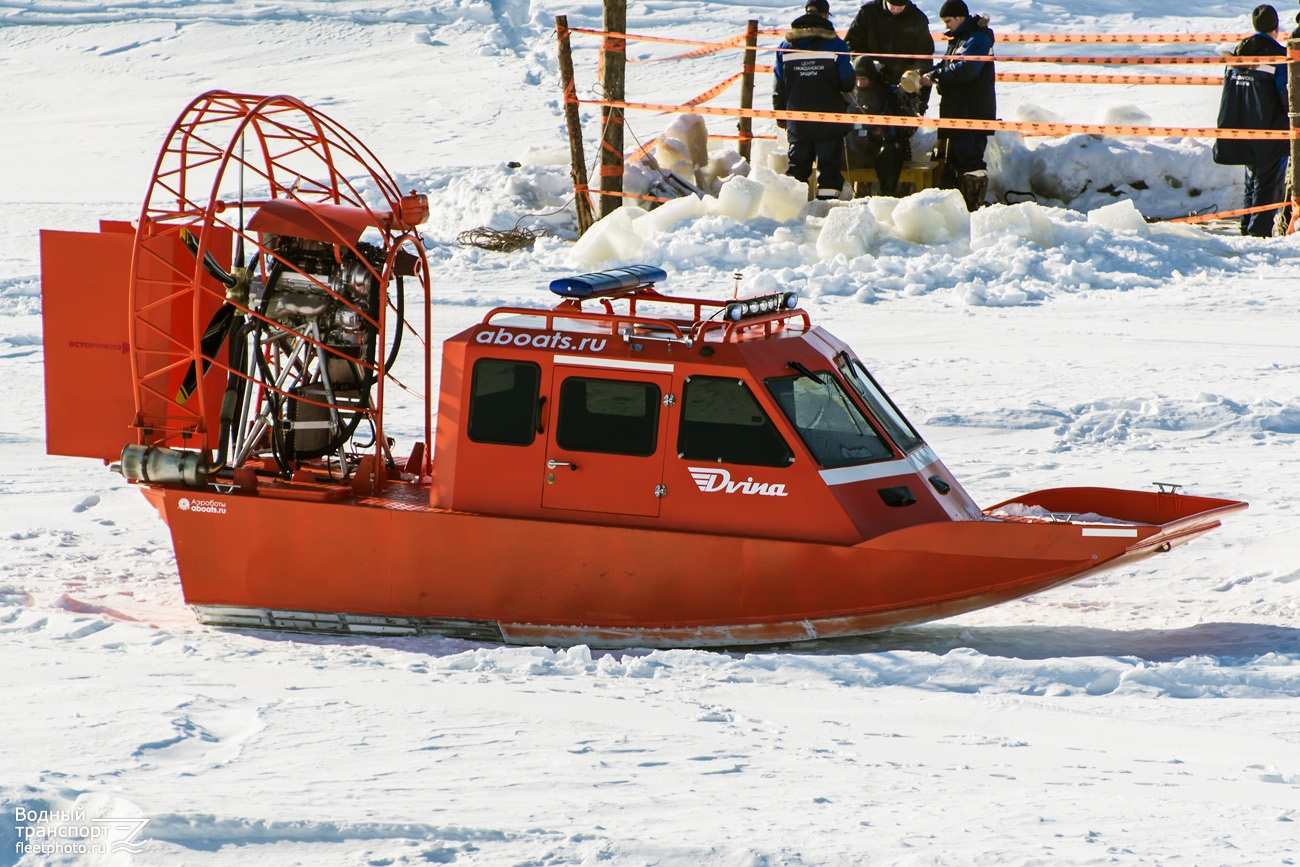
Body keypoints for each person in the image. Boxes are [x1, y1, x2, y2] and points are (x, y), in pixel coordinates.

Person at [843, 0, 934, 194]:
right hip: (869, 85)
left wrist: (919, 97)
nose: (896, 10)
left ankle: (900, 185)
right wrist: (864, 64)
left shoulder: (917, 19)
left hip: (904, 89)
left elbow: (925, 59)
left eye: (900, 8)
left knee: (898, 137)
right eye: (893, 6)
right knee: (863, 133)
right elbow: (851, 44)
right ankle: (862, 184)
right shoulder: (867, 13)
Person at [1213, 5, 1289, 237]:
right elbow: (1287, 94)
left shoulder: (1239, 52)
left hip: (1243, 128)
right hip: (1271, 133)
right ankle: (1259, 235)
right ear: (1276, 27)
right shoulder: (1278, 56)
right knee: (1268, 187)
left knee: (1252, 183)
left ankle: (1247, 229)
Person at [773, 0, 856, 200]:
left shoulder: (785, 46)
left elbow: (779, 85)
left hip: (797, 119)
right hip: (829, 120)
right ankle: (825, 214)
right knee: (828, 171)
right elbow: (847, 82)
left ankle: (792, 213)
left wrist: (780, 113)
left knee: (797, 169)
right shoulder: (836, 44)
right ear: (826, 16)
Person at [919, 0, 996, 211]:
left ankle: (972, 207)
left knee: (971, 160)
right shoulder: (960, 39)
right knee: (958, 159)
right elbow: (949, 66)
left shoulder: (977, 38)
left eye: (948, 21)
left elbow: (967, 69)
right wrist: (928, 73)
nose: (946, 26)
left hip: (971, 110)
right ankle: (958, 207)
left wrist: (936, 76)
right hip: (958, 109)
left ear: (961, 17)